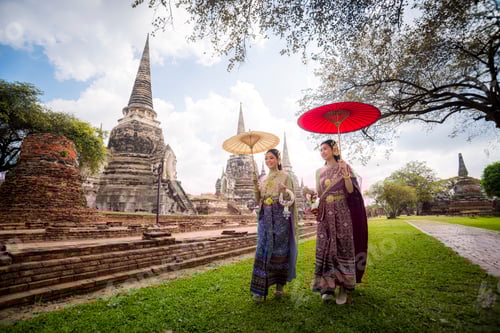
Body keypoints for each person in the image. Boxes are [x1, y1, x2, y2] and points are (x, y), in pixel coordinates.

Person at [311, 139, 368, 304]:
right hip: (325, 214)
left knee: (343, 246)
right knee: (326, 247)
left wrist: (346, 176)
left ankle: (344, 286)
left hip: (342, 211)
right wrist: (315, 205)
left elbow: (351, 191)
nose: (323, 152)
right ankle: (327, 287)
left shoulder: (345, 166)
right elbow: (319, 193)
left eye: (325, 148)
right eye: (320, 149)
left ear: (334, 150)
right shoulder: (319, 171)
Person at [250, 148, 298, 302]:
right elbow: (259, 199)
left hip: (280, 218)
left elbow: (291, 199)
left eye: (271, 158)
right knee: (262, 248)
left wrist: (285, 191)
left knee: (279, 249)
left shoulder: (285, 176)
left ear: (278, 159)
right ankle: (259, 288)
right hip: (265, 217)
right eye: (266, 158)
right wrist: (254, 185)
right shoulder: (262, 179)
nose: (269, 161)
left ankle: (279, 286)